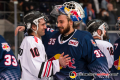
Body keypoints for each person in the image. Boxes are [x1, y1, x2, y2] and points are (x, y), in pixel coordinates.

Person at [15, 1, 110, 80]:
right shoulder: (51, 35)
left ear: (71, 22)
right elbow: (38, 29)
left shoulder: (84, 38)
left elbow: (99, 65)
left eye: (61, 22)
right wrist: (27, 27)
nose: (58, 25)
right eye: (57, 21)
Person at [18, 11, 71, 80]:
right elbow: (39, 71)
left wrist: (54, 60)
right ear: (34, 27)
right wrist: (57, 63)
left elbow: (37, 65)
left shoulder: (29, 40)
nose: (45, 27)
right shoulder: (32, 42)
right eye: (42, 24)